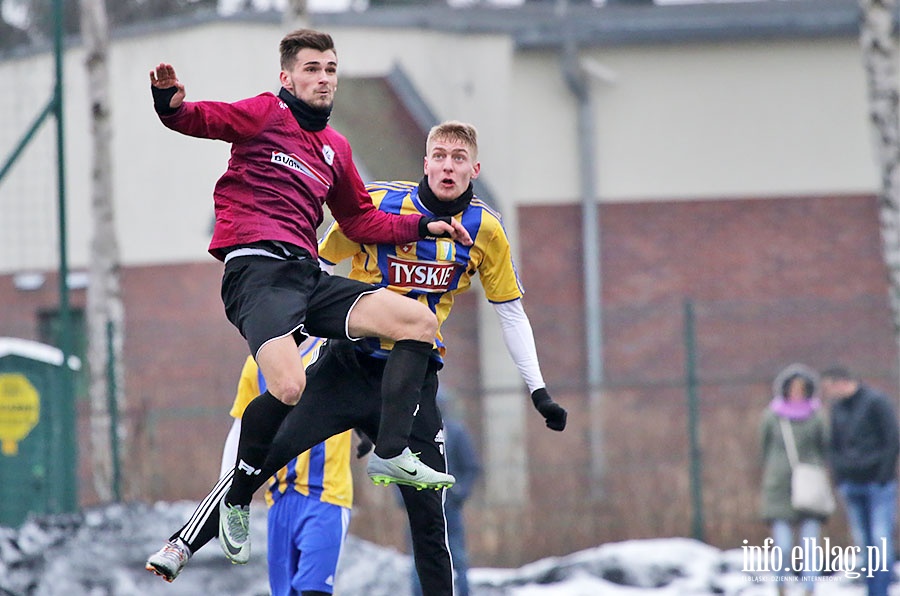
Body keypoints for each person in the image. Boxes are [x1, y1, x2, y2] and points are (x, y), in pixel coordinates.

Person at [144, 120, 567, 595]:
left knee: (431, 516)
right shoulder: (381, 204)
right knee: (266, 453)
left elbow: (510, 312)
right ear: (425, 163)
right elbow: (318, 270)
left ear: (474, 168)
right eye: (440, 156)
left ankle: (392, 451)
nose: (449, 166)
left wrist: (539, 390)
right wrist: (292, 336)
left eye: (459, 158)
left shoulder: (486, 229)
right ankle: (184, 542)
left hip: (412, 382)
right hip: (348, 365)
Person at [148, 28, 472, 564]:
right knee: (290, 385)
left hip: (307, 276)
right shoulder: (263, 114)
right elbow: (201, 119)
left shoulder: (336, 148)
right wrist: (170, 104)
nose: (323, 79)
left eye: (330, 69)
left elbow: (362, 219)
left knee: (416, 322)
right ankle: (235, 496)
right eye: (312, 69)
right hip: (256, 272)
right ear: (287, 78)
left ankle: (391, 452)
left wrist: (425, 226)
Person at [147, 336, 370, 596]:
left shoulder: (332, 348)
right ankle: (182, 545)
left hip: (327, 497)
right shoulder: (258, 362)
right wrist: (225, 502)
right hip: (279, 500)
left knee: (314, 590)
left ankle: (182, 545)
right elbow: (242, 429)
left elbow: (361, 393)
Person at [821, 365, 899, 596]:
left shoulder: (876, 402)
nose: (828, 393)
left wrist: (883, 475)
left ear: (841, 382)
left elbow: (892, 440)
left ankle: (881, 591)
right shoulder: (837, 409)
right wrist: (840, 477)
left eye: (829, 387)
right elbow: (833, 446)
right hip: (851, 485)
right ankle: (870, 591)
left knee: (880, 541)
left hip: (878, 485)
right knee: (864, 545)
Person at [758, 363, 830, 596]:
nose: (797, 392)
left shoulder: (817, 416)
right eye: (793, 388)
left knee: (810, 545)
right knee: (783, 545)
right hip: (779, 488)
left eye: (802, 388)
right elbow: (764, 448)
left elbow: (825, 446)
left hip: (810, 487)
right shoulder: (772, 416)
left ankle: (809, 588)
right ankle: (781, 587)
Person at [408, 390, 481, 596]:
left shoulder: (456, 433)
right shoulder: (410, 434)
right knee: (419, 558)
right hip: (420, 508)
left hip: (449, 509)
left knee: (457, 556)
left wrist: (458, 494)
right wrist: (406, 499)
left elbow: (471, 467)